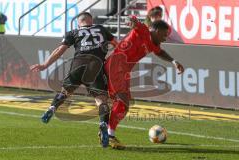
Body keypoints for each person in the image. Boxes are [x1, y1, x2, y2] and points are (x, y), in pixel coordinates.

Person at [30, 12, 117, 148]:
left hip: (78, 64)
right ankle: (103, 124)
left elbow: (59, 50)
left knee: (65, 92)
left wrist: (44, 65)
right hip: (96, 65)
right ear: (91, 20)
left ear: (78, 22)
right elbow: (117, 45)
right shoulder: (101, 29)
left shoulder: (72, 32)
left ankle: (52, 108)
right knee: (101, 100)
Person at [105, 16, 184, 149]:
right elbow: (135, 23)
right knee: (122, 102)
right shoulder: (144, 31)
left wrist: (173, 61)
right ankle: (109, 135)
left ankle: (107, 130)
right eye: (164, 35)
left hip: (123, 71)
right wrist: (132, 21)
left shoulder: (153, 44)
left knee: (121, 105)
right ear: (157, 30)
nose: (165, 39)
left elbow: (160, 52)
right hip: (116, 65)